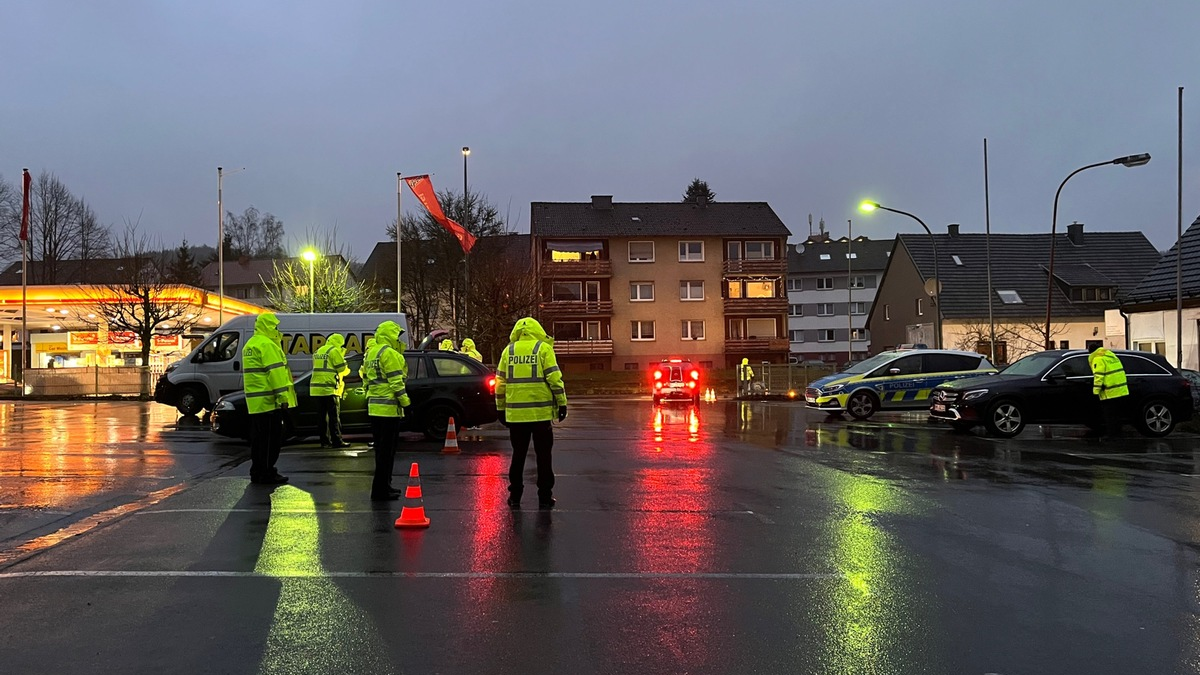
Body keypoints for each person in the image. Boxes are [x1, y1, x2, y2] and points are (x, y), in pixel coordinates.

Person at [495, 317, 567, 509]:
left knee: (518, 455)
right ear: (538, 330)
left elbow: (500, 383)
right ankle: (544, 496)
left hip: (516, 416)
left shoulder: (508, 351)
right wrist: (562, 403)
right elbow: (554, 379)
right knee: (544, 456)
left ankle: (515, 496)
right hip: (540, 415)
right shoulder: (543, 349)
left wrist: (500, 408)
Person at [243, 312, 296, 484]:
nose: (277, 329)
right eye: (275, 326)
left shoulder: (251, 344)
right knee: (270, 442)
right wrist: (282, 398)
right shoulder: (268, 345)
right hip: (269, 403)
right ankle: (266, 472)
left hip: (255, 402)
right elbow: (275, 374)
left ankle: (258, 471)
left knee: (258, 441)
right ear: (269, 326)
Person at [362, 321, 411, 500]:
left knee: (381, 452)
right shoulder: (389, 354)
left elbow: (366, 380)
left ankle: (384, 486)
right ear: (390, 335)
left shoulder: (371, 353)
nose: (399, 338)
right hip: (389, 410)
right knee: (387, 452)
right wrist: (406, 403)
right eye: (397, 335)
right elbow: (396, 382)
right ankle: (381, 490)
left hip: (375, 409)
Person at [311, 333, 351, 448]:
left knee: (322, 417)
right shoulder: (334, 351)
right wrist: (342, 356)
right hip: (328, 388)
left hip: (316, 389)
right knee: (333, 417)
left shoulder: (319, 351)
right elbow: (342, 369)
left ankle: (324, 441)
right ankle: (337, 441)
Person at [1088, 345, 1129, 438]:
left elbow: (1099, 376)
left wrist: (1096, 391)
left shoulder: (1098, 359)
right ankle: (1118, 433)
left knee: (1110, 416)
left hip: (1109, 391)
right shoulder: (1111, 356)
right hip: (1121, 390)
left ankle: (1112, 435)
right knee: (1117, 415)